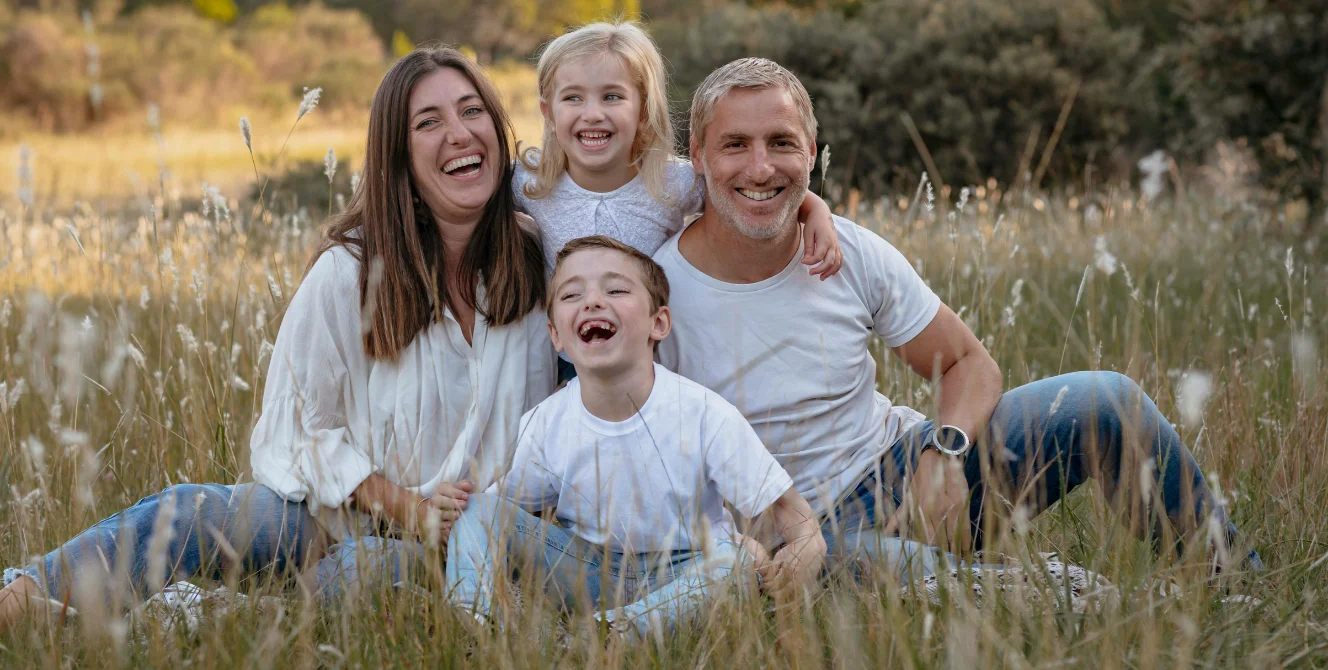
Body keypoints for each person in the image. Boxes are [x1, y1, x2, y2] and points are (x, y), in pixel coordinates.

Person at [0, 47, 556, 631]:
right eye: (428, 122)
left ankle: (180, 622)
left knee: (366, 578)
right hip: (339, 517)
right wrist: (409, 508)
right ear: (400, 160)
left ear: (498, 127)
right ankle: (23, 602)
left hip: (480, 540)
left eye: (472, 111)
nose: (459, 134)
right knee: (189, 513)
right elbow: (300, 430)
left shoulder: (539, 260)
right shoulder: (351, 272)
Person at [654, 57, 1263, 576]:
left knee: (1106, 401)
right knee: (876, 571)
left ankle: (1234, 581)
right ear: (699, 156)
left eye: (782, 143)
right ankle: (988, 585)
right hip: (773, 535)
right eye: (736, 145)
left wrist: (944, 456)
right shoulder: (656, 289)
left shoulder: (852, 251)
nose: (761, 168)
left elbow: (968, 363)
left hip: (895, 473)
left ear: (811, 152)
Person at [445, 236, 826, 640]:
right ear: (557, 336)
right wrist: (458, 514)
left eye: (616, 290)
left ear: (657, 323)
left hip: (685, 571)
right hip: (589, 573)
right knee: (478, 510)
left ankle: (606, 636)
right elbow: (503, 517)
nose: (592, 301)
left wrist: (806, 543)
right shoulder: (546, 421)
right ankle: (475, 627)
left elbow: (793, 515)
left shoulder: (703, 414)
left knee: (733, 567)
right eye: (573, 293)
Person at [512, 21, 844, 382]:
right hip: (566, 351)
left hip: (654, 352)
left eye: (612, 97)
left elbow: (746, 191)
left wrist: (816, 211)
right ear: (548, 111)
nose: (592, 113)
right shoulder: (531, 182)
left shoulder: (671, 182)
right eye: (572, 97)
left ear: (642, 111)